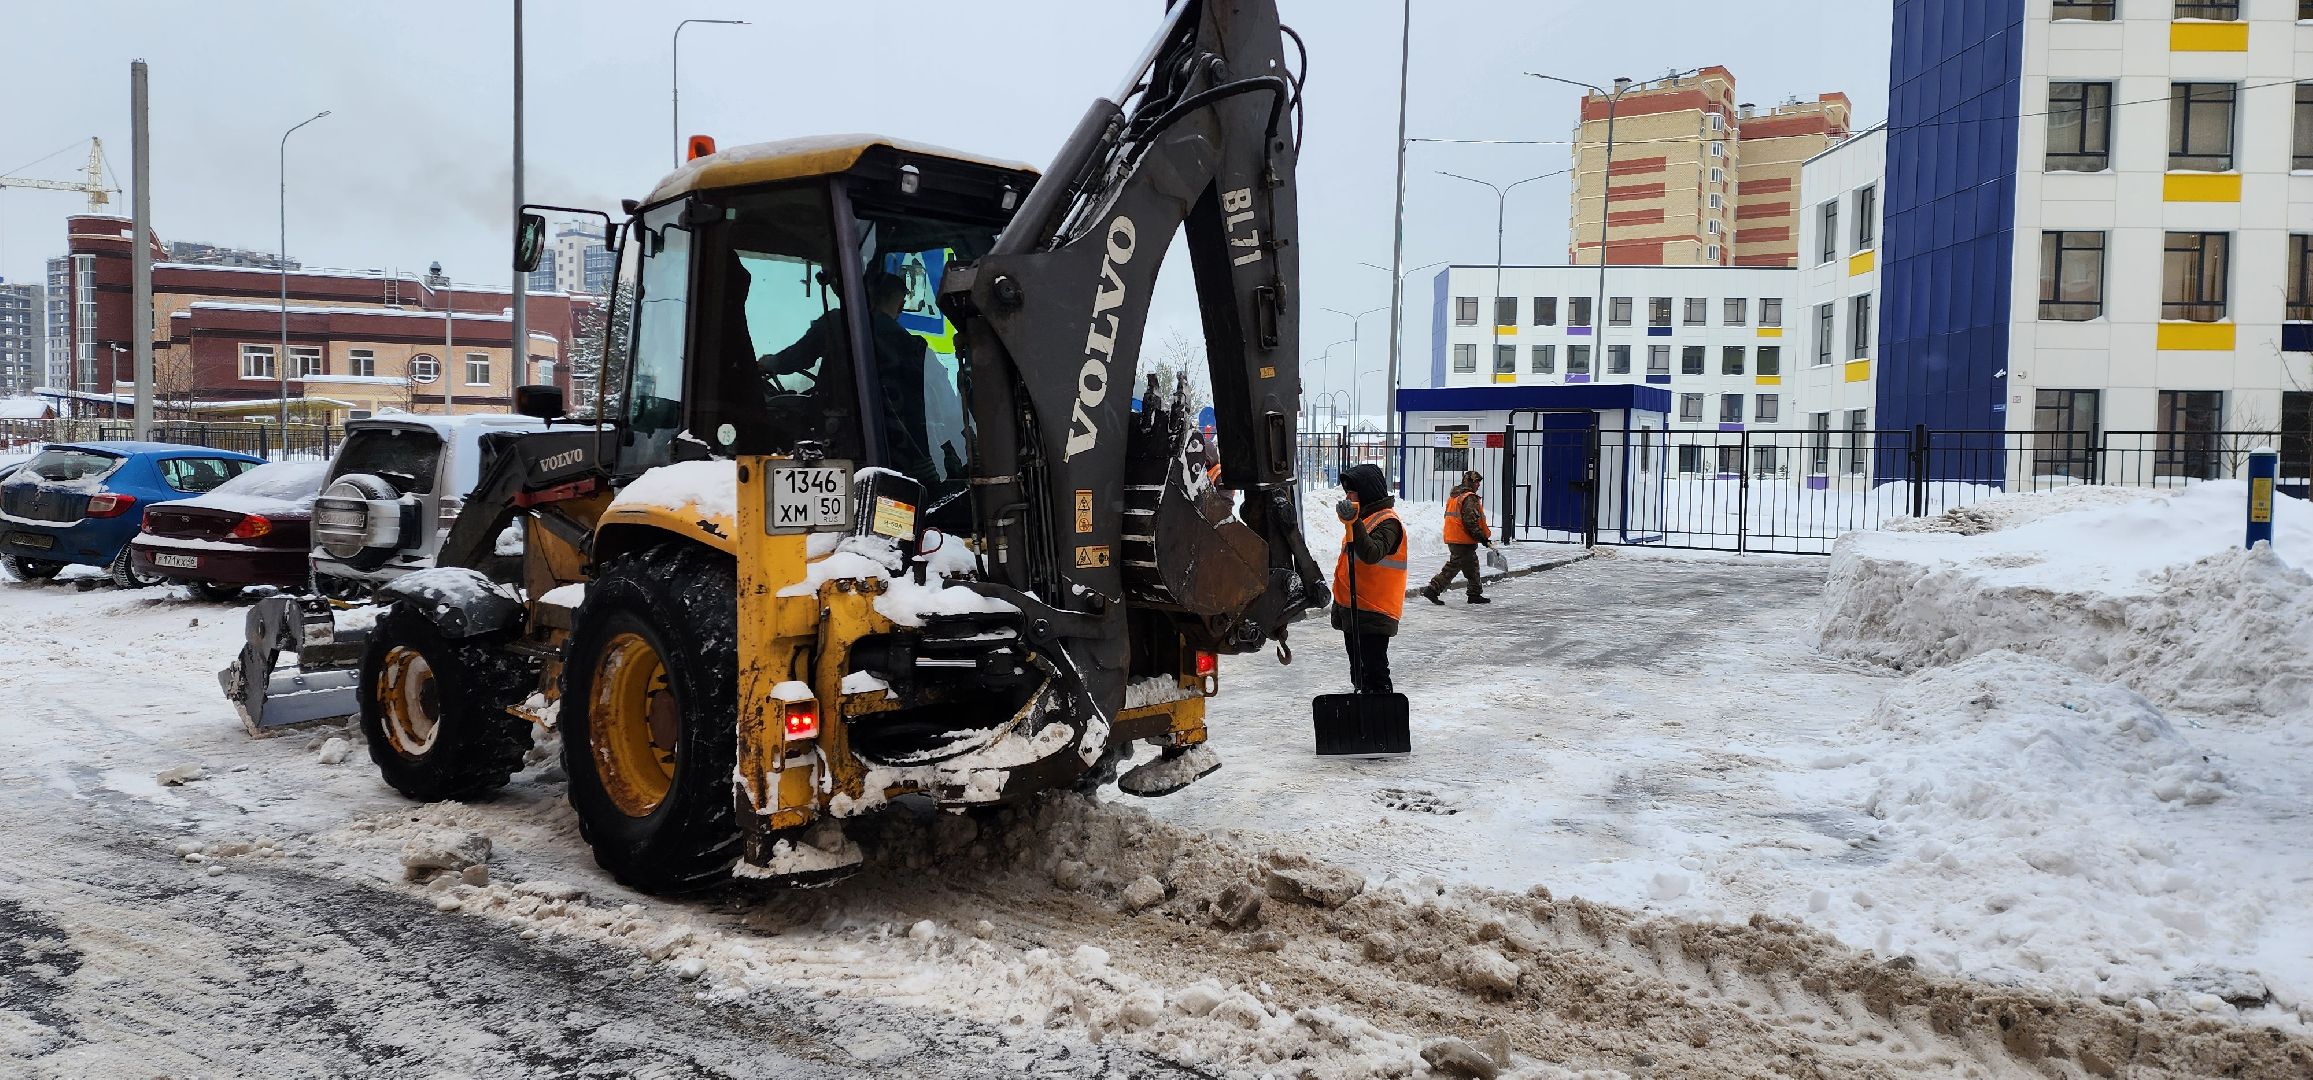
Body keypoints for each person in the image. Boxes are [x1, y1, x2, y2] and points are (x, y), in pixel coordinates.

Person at [760, 272, 941, 487]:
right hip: (895, 455)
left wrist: (767, 363)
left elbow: (796, 357)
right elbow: (923, 405)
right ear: (900, 303)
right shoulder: (912, 346)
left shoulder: (838, 323)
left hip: (838, 443)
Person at [1330, 463, 1406, 694]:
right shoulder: (1365, 518)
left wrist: (1354, 522)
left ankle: (1382, 719)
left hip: (1374, 611)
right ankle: (1365, 715)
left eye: (1351, 492)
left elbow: (1371, 553)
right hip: (1354, 609)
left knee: (1375, 673)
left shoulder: (1388, 522)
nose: (1347, 497)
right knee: (1359, 674)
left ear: (1366, 491)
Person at [1422, 469, 1495, 606]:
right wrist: (1483, 538)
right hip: (1462, 539)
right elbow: (1470, 521)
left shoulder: (1455, 495)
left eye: (1479, 482)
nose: (1478, 484)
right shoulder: (1468, 497)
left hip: (1455, 537)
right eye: (1476, 482)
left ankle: (1474, 594)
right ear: (1469, 482)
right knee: (1453, 566)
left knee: (1472, 566)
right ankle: (1432, 589)